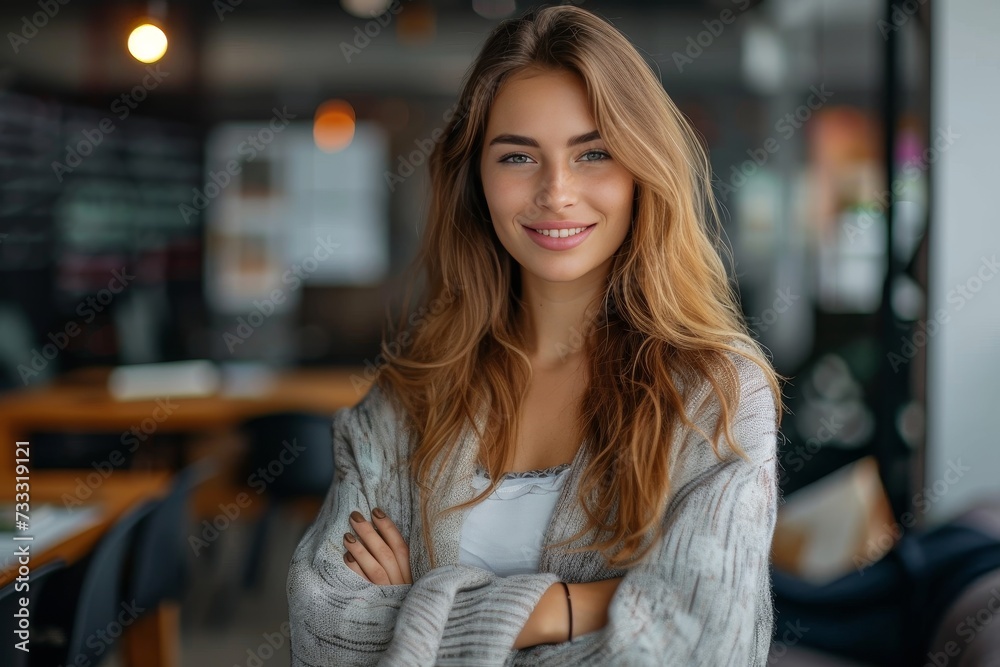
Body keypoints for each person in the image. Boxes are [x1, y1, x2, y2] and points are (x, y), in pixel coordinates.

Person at [286, 4, 785, 665]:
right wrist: (576, 606)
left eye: (594, 153)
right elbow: (323, 631)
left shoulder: (715, 397)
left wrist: (418, 609)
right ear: (476, 179)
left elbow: (696, 642)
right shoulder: (404, 402)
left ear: (643, 168)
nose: (556, 192)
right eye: (518, 156)